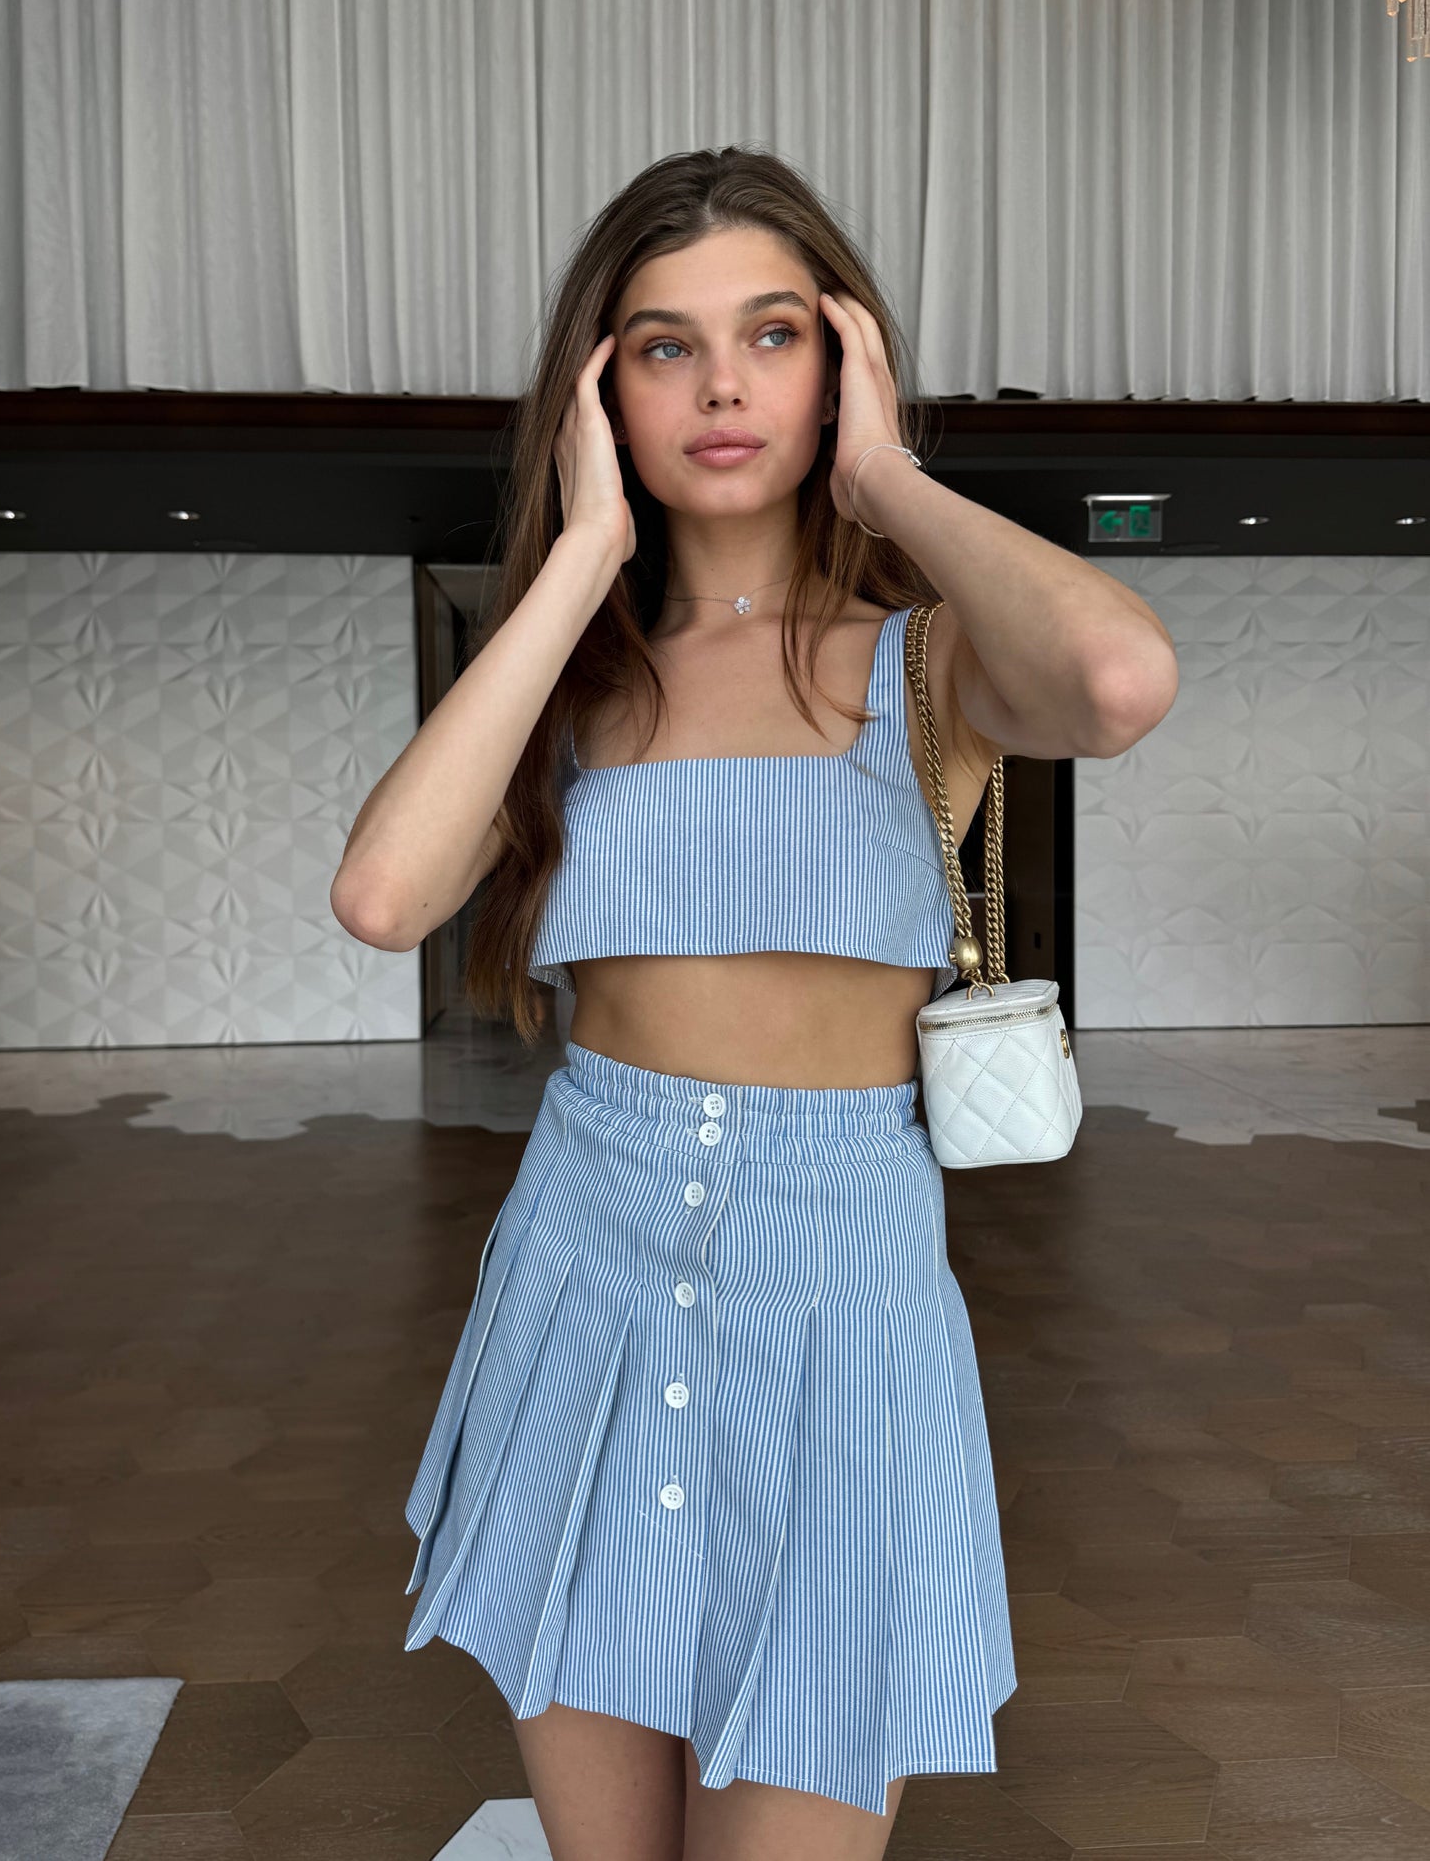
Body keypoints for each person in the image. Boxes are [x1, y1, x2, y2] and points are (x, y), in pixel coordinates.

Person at [330, 146, 1178, 1861]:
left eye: (772, 334)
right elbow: (384, 896)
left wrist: (886, 473)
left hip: (837, 1297)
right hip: (587, 1265)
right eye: (661, 345)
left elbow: (1117, 679)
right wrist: (577, 555)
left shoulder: (922, 661)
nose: (721, 383)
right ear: (599, 392)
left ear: (840, 359)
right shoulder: (572, 682)